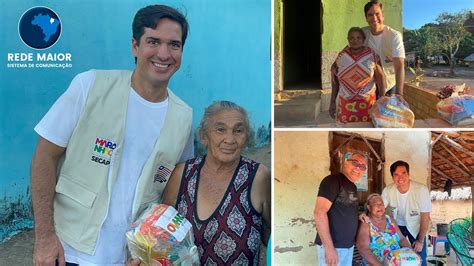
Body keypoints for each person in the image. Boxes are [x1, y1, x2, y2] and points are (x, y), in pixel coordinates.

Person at [30, 5, 193, 266]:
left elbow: (172, 184)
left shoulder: (183, 116)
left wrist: (154, 250)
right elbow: (44, 158)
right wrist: (45, 237)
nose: (164, 53)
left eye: (174, 44)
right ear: (135, 46)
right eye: (153, 41)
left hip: (132, 257)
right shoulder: (90, 86)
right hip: (70, 250)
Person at [154, 101, 271, 265]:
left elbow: (272, 235)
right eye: (220, 129)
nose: (230, 139)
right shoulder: (182, 175)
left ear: (246, 138)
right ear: (204, 136)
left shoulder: (258, 177)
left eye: (238, 131)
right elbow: (160, 236)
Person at [313, 151, 368, 266]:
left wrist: (359, 215)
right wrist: (329, 249)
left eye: (362, 166)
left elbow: (343, 210)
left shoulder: (352, 186)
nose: (358, 168)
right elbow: (319, 213)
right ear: (345, 163)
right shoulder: (333, 181)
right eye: (355, 163)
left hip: (347, 246)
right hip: (334, 246)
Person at [329, 27, 386, 123]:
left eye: (358, 38)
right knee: (346, 132)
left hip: (368, 104)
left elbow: (381, 78)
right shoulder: (342, 56)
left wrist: (383, 99)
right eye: (351, 38)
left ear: (363, 39)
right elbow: (335, 80)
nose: (355, 40)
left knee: (367, 131)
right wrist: (332, 102)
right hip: (346, 105)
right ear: (348, 40)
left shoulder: (371, 55)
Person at [381, 161, 432, 266]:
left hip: (416, 227)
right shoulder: (388, 190)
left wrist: (420, 241)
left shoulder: (421, 190)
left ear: (408, 174)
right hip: (397, 226)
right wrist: (366, 214)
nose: (400, 177)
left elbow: (425, 217)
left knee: (419, 258)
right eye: (396, 174)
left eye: (404, 173)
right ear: (392, 177)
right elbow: (380, 208)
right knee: (396, 259)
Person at [362, 0, 406, 96]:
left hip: (390, 85)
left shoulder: (394, 36)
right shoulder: (363, 33)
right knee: (370, 111)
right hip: (369, 85)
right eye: (370, 15)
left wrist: (399, 94)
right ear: (366, 18)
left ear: (383, 15)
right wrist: (335, 64)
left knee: (388, 110)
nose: (374, 18)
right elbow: (349, 48)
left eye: (377, 14)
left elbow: (399, 65)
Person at [356, 193, 412, 265]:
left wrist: (412, 254)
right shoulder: (366, 223)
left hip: (397, 262)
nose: (379, 206)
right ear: (369, 207)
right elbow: (363, 248)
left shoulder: (390, 220)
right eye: (375, 204)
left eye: (381, 203)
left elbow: (402, 239)